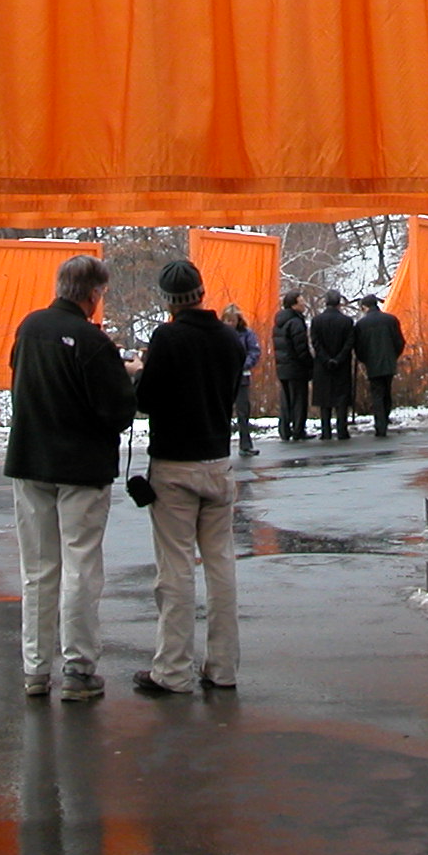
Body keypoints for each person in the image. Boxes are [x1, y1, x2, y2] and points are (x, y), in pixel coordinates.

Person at [3, 253, 135, 702]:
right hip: (81, 467)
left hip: (29, 460)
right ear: (94, 295)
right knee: (80, 566)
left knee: (37, 570)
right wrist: (127, 377)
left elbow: (18, 376)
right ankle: (78, 669)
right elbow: (118, 412)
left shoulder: (29, 328)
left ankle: (35, 669)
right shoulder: (93, 342)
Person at [131, 260, 244, 696]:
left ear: (168, 301)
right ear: (201, 292)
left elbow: (146, 401)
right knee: (221, 566)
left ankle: (172, 670)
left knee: (175, 569)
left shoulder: (167, 338)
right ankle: (223, 667)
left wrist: (139, 374)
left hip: (174, 466)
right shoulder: (230, 340)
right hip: (218, 462)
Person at [352, 292, 405, 436]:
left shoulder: (361, 324)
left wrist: (365, 359)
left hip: (372, 364)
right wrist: (394, 356)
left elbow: (359, 347)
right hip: (389, 361)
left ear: (364, 307)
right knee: (387, 391)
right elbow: (399, 341)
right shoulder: (391, 320)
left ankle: (380, 424)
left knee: (377, 394)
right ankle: (385, 418)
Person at [307, 290, 357, 440]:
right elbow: (349, 343)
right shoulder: (347, 321)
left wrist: (325, 359)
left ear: (325, 302)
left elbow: (315, 343)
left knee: (325, 399)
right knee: (341, 399)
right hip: (342, 366)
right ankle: (342, 430)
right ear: (339, 303)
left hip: (322, 366)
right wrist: (339, 359)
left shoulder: (316, 321)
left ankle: (326, 430)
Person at [270, 290, 313, 441]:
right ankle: (298, 430)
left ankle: (284, 429)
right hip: (296, 367)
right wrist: (309, 364)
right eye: (301, 301)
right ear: (294, 304)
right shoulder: (296, 322)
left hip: (283, 367)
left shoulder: (279, 322)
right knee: (299, 400)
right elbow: (300, 347)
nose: (304, 304)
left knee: (286, 399)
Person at [222, 302, 261, 455]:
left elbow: (254, 351)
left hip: (242, 377)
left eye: (232, 320)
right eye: (227, 320)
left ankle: (245, 445)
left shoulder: (246, 334)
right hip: (223, 378)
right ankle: (221, 445)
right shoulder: (218, 334)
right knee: (222, 412)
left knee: (243, 411)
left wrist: (244, 365)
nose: (229, 323)